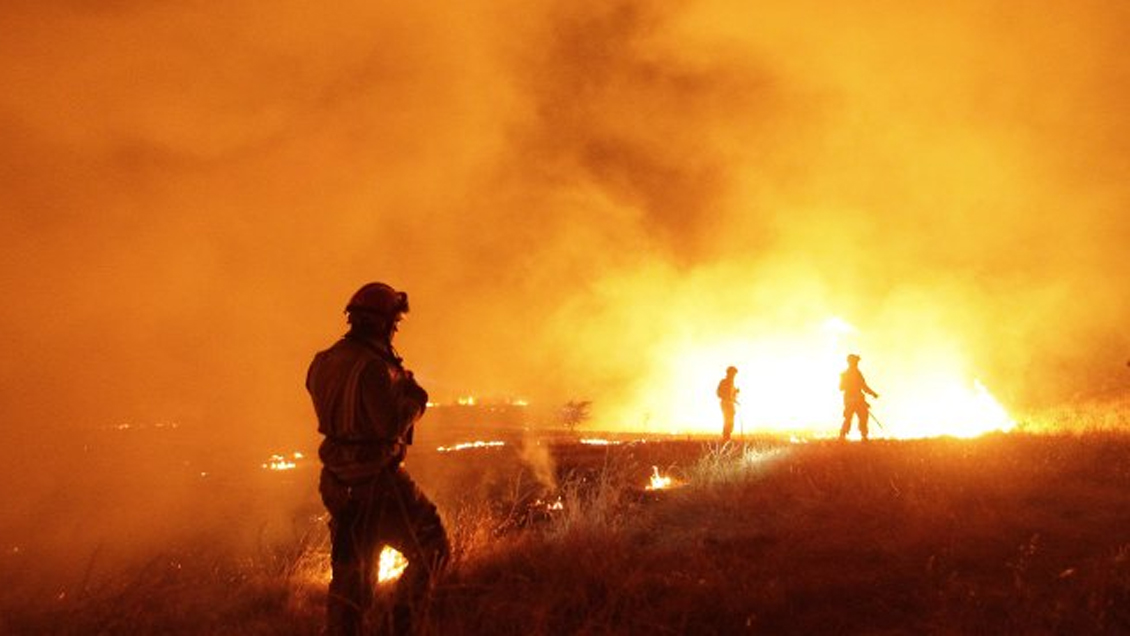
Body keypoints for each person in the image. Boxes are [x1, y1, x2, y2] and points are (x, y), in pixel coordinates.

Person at [306, 282, 450, 635]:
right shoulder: (372, 366)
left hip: (337, 480)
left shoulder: (322, 361)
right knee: (432, 547)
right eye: (394, 323)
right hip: (376, 479)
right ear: (383, 323)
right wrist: (415, 399)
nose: (395, 329)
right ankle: (397, 623)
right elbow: (387, 425)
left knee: (352, 571)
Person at [839, 353, 879, 441]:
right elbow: (863, 386)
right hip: (853, 399)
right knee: (857, 417)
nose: (857, 363)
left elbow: (863, 386)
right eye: (855, 361)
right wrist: (873, 394)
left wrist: (873, 393)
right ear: (851, 362)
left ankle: (846, 435)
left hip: (852, 399)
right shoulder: (850, 374)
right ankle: (847, 435)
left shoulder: (849, 373)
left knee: (859, 416)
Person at [717, 366, 740, 442]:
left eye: (734, 374)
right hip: (725, 403)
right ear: (729, 373)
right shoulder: (724, 382)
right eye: (733, 373)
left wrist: (735, 392)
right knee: (728, 420)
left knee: (730, 420)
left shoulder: (732, 383)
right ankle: (726, 438)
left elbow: (731, 395)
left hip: (730, 403)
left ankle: (727, 437)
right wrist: (727, 397)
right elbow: (719, 393)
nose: (734, 375)